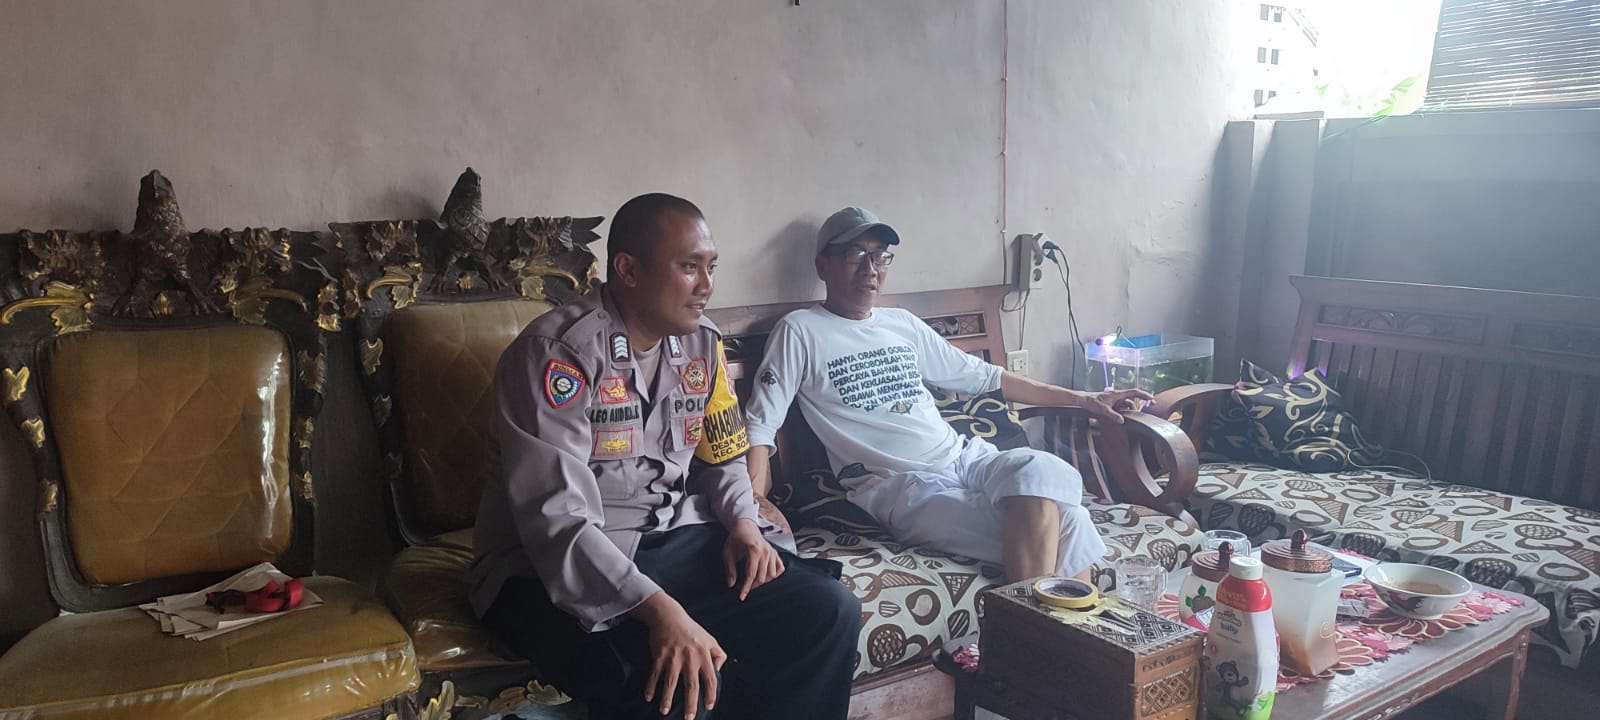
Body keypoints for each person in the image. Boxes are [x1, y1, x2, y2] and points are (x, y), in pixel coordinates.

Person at [470, 194, 861, 720]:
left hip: (664, 540)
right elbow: (557, 521)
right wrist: (662, 613)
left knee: (828, 611)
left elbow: (723, 458)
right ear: (628, 270)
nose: (707, 286)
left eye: (711, 267)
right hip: (541, 570)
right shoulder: (557, 355)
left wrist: (744, 523)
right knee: (674, 681)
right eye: (689, 267)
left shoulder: (700, 345)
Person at [743, 207, 1151, 584]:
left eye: (880, 256)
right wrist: (754, 506)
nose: (870, 269)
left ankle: (1042, 629)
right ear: (822, 265)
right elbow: (761, 423)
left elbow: (987, 377)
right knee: (1069, 521)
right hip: (901, 486)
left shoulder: (901, 324)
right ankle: (1050, 631)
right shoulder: (801, 331)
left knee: (1039, 468)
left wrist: (1085, 399)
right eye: (855, 254)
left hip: (964, 458)